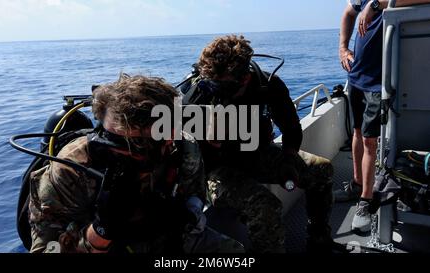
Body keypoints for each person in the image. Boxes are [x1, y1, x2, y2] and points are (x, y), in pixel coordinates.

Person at [28, 74, 243, 253]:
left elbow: (194, 192)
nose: (167, 145)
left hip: (169, 238)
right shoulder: (72, 168)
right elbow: (47, 249)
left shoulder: (184, 148)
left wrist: (188, 210)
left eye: (166, 136)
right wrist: (101, 231)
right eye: (134, 144)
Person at [180, 35, 335, 253]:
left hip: (257, 154)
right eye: (211, 83)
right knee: (266, 206)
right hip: (217, 169)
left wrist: (289, 158)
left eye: (221, 86)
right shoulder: (200, 94)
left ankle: (319, 237)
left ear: (244, 79)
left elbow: (291, 128)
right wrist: (208, 142)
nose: (216, 91)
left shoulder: (267, 87)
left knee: (322, 170)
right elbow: (182, 150)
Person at [337, 0, 430, 233]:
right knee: (357, 132)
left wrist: (376, 5)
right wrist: (342, 48)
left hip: (380, 81)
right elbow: (348, 12)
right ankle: (357, 184)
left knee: (371, 140)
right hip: (357, 75)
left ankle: (366, 201)